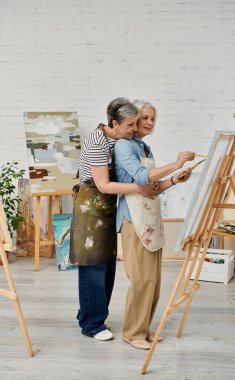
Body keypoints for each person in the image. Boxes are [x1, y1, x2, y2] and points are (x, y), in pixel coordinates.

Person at [69, 97, 158, 342]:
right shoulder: (98, 141)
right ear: (114, 123)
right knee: (93, 266)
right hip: (91, 208)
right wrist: (138, 188)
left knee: (106, 266)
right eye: (130, 124)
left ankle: (88, 314)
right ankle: (92, 324)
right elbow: (103, 184)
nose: (134, 129)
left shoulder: (117, 139)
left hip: (107, 207)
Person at [114, 100, 195, 350]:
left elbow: (154, 188)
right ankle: (132, 332)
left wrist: (174, 179)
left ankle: (144, 328)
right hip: (133, 218)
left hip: (150, 217)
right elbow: (140, 177)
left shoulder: (146, 148)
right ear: (134, 119)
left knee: (154, 280)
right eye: (145, 118)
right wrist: (176, 163)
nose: (149, 122)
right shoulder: (123, 146)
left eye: (153, 118)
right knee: (141, 279)